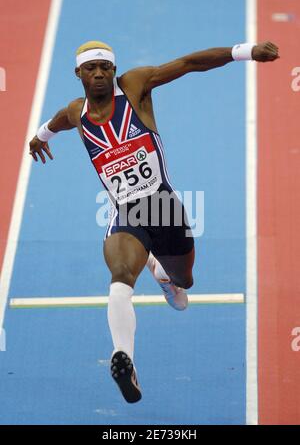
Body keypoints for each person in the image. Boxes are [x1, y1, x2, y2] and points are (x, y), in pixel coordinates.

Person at [29, 40, 279, 403]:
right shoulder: (76, 113)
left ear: (114, 70)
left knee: (184, 282)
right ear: (78, 73)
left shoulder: (135, 87)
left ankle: (163, 276)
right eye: (91, 67)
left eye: (105, 66)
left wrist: (245, 51)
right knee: (119, 280)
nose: (99, 73)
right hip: (125, 214)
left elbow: (190, 60)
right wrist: (39, 137)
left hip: (164, 209)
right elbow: (57, 122)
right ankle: (124, 358)